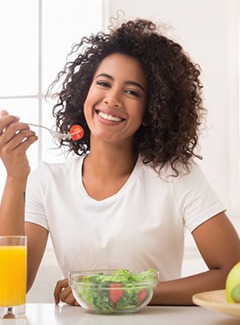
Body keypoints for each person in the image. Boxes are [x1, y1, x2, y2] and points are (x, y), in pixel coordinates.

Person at [0, 18, 240, 307]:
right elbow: (7, 290)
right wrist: (15, 177)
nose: (112, 99)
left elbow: (232, 273)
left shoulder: (175, 175)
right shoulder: (48, 181)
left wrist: (125, 291)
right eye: (103, 83)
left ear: (152, 110)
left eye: (132, 92)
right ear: (84, 92)